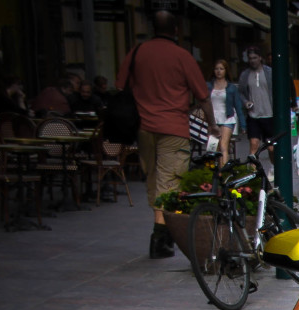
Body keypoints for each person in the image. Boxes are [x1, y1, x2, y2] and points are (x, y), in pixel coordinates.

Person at [117, 10, 216, 258]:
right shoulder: (182, 57)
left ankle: (161, 232)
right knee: (170, 181)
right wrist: (212, 124)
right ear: (175, 30)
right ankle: (161, 237)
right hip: (173, 126)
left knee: (153, 178)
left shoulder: (137, 52)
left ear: (152, 27)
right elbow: (203, 96)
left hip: (144, 127)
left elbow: (120, 86)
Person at [238, 47, 275, 162]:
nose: (252, 60)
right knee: (254, 144)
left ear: (260, 58)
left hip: (269, 115)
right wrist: (246, 102)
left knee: (271, 148)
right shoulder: (245, 75)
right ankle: (252, 172)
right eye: (250, 58)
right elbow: (241, 92)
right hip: (253, 115)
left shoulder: (269, 72)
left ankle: (274, 169)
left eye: (255, 58)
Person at [206, 59, 243, 165]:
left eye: (221, 69)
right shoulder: (208, 86)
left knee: (223, 146)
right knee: (213, 147)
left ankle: (223, 172)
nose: (218, 71)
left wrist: (243, 125)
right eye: (216, 69)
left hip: (227, 118)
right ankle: (214, 173)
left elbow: (238, 106)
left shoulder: (231, 87)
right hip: (212, 118)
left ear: (226, 71)